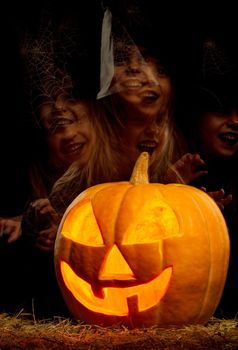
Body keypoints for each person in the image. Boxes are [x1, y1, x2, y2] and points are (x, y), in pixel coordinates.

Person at [177, 37, 238, 318]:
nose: (235, 121)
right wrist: (180, 193)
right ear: (194, 116)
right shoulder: (174, 171)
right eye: (221, 111)